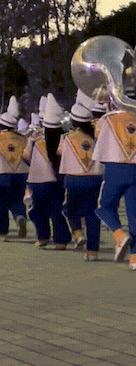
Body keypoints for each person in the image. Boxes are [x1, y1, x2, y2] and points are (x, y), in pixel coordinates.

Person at [93, 93, 136, 269]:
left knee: (104, 207)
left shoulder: (109, 119)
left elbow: (98, 138)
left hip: (115, 168)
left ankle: (119, 234)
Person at [59, 91, 103, 260]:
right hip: (95, 178)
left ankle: (77, 232)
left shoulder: (68, 137)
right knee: (92, 214)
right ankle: (92, 251)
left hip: (74, 178)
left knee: (69, 209)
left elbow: (59, 153)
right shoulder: (96, 137)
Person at [25, 95, 72, 250]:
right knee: (56, 211)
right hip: (56, 180)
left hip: (37, 180)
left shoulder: (35, 139)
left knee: (38, 210)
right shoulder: (65, 139)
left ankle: (43, 237)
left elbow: (25, 156)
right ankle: (61, 240)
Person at [0, 97, 29, 241]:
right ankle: (20, 216)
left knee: (1, 204)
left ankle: (2, 233)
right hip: (20, 173)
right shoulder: (21, 138)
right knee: (17, 200)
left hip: (2, 174)